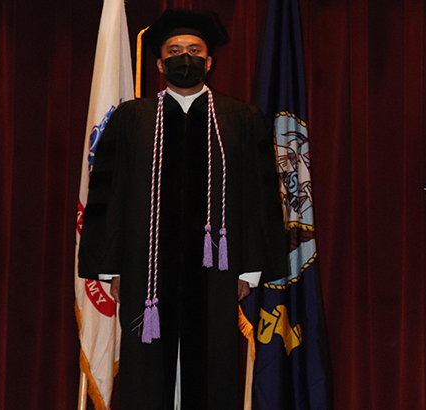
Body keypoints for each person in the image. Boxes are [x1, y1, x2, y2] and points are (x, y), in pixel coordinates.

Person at [78, 8, 287, 410]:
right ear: (159, 63)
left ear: (209, 61)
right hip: (146, 271)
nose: (184, 57)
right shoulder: (131, 119)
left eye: (194, 50)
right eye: (174, 50)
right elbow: (108, 193)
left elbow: (259, 197)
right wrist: (113, 267)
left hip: (218, 272)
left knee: (213, 365)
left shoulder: (242, 119)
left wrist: (249, 268)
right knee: (147, 369)